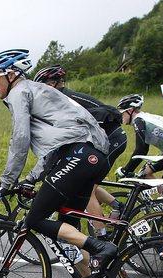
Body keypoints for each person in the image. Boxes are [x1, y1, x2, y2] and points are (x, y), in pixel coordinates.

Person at [0, 48, 115, 278]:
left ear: (11, 75)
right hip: (90, 156)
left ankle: (101, 246)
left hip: (80, 154)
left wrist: (5, 183)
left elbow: (19, 140)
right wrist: (31, 179)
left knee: (34, 220)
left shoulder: (21, 92)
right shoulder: (35, 94)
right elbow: (52, 150)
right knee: (70, 234)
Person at [35, 64, 127, 221]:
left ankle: (100, 239)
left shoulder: (65, 99)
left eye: (40, 87)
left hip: (112, 137)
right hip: (105, 137)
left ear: (51, 84)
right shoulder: (62, 99)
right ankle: (117, 205)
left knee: (86, 189)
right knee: (81, 180)